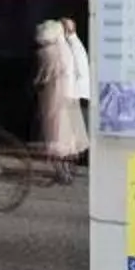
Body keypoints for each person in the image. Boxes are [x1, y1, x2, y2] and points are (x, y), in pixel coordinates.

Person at [34, 18, 88, 164]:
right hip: (68, 90)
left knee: (56, 123)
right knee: (67, 123)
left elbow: (44, 76)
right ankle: (66, 158)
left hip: (56, 92)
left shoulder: (48, 50)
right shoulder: (65, 49)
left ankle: (60, 158)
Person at [61, 17, 93, 168]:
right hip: (79, 94)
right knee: (79, 128)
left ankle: (86, 157)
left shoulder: (74, 46)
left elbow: (81, 71)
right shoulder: (73, 45)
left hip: (79, 95)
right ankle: (83, 156)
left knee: (81, 128)